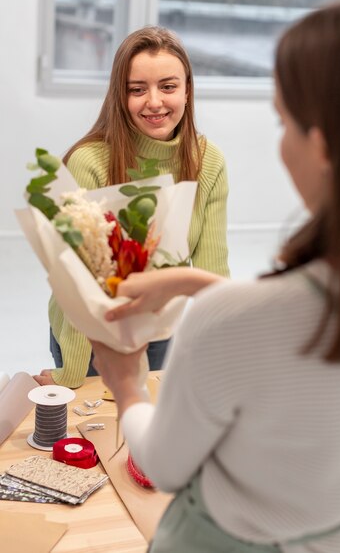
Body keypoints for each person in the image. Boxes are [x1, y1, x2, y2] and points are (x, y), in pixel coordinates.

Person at [91, 0, 340, 553]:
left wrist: (124, 383)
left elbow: (166, 465)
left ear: (322, 145)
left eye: (283, 122)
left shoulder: (235, 320)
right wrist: (202, 287)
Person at [34, 26, 229, 388]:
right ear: (119, 96)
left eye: (168, 86)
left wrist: (225, 360)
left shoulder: (208, 161)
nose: (154, 101)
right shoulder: (88, 162)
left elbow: (212, 269)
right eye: (137, 89)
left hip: (155, 332)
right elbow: (79, 284)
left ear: (187, 90)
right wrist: (71, 377)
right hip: (88, 339)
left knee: (136, 437)